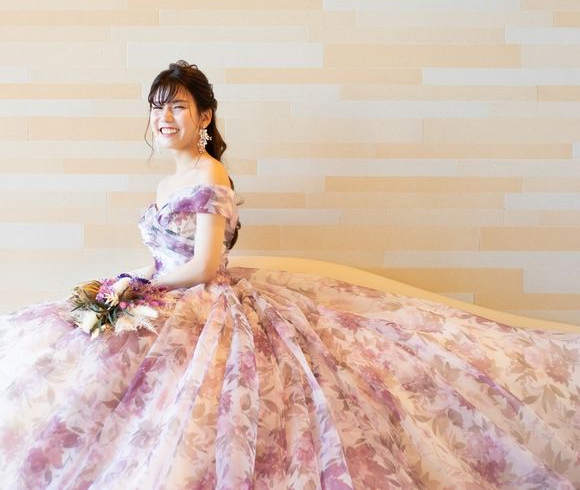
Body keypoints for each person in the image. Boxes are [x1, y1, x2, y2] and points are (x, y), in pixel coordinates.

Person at [0, 60, 579, 489]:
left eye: (177, 107)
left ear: (204, 117)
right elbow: (165, 259)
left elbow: (204, 266)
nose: (164, 118)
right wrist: (127, 281)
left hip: (202, 299)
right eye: (157, 108)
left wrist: (141, 287)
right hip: (169, 294)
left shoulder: (209, 174)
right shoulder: (165, 182)